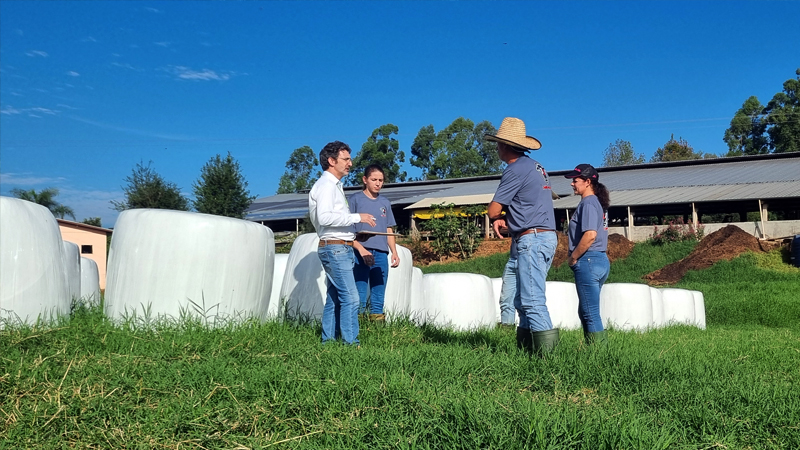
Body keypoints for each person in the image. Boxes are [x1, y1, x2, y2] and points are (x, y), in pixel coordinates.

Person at [486, 117, 559, 355]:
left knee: (532, 301)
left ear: (505, 145)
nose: (497, 148)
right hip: (543, 236)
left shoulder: (514, 170)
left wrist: (499, 218)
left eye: (498, 144)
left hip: (532, 239)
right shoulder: (536, 167)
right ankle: (528, 353)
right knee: (523, 300)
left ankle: (549, 360)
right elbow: (528, 205)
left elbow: (493, 209)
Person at [308, 141, 376, 345]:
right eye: (345, 159)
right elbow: (325, 218)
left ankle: (328, 342)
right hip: (335, 248)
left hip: (338, 246)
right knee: (352, 298)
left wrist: (353, 236)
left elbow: (332, 222)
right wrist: (358, 218)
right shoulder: (327, 186)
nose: (350, 163)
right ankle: (351, 345)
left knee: (335, 297)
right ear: (331, 161)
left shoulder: (333, 186)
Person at [564, 163, 611, 346]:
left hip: (589, 260)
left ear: (588, 182)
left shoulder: (589, 203)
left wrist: (574, 256)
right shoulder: (595, 203)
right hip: (598, 259)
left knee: (590, 312)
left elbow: (590, 235)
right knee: (586, 310)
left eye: (575, 180)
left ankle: (599, 354)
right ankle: (593, 350)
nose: (572, 184)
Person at [350, 164, 400, 322]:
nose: (378, 183)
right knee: (360, 292)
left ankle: (377, 331)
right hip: (360, 252)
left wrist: (394, 252)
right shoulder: (355, 199)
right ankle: (357, 329)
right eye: (374, 180)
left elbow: (389, 229)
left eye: (381, 180)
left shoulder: (385, 202)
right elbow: (347, 229)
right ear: (365, 180)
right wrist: (359, 248)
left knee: (378, 292)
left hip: (381, 253)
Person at [492, 220, 518, 328]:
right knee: (506, 299)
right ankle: (506, 331)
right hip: (513, 258)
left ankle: (530, 334)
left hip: (529, 256)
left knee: (528, 299)